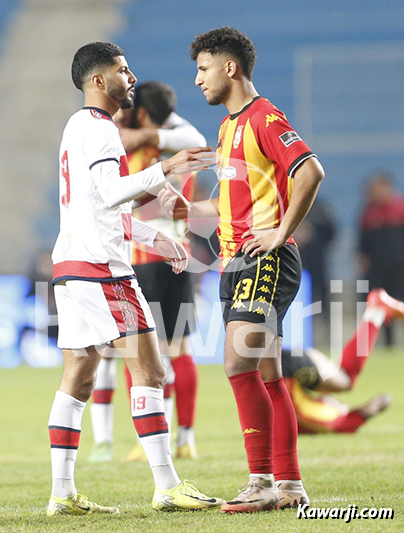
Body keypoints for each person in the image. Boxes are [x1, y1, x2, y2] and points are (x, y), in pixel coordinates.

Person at [47, 41, 224, 517]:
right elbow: (110, 193)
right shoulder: (102, 131)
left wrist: (156, 236)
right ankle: (167, 485)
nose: (131, 77)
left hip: (71, 268)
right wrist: (163, 170)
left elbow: (99, 206)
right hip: (105, 272)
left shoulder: (75, 127)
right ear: (98, 81)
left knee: (78, 379)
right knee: (151, 370)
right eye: (123, 70)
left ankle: (61, 493)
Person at [159, 27, 325, 513]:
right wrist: (183, 211)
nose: (197, 80)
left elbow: (310, 171)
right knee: (269, 375)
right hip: (239, 261)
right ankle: (289, 485)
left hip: (266, 258)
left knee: (237, 363)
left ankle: (260, 482)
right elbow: (232, 205)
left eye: (203, 68)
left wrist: (278, 232)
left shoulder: (265, 117)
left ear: (229, 68)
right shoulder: (229, 127)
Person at [88, 81, 203, 464]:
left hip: (144, 256)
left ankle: (151, 438)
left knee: (137, 351)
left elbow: (125, 197)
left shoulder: (136, 149)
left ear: (140, 113)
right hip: (180, 256)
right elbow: (194, 136)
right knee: (180, 350)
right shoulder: (178, 144)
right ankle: (186, 437)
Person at [282, 288, 404, 433]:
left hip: (282, 369)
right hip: (282, 359)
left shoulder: (327, 418)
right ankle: (376, 312)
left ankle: (376, 312)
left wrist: (363, 414)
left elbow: (340, 424)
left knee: (345, 379)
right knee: (344, 378)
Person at [357, 172, 404, 346]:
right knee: (382, 307)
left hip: (400, 268)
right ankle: (388, 344)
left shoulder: (400, 209)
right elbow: (363, 240)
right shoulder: (369, 212)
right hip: (378, 270)